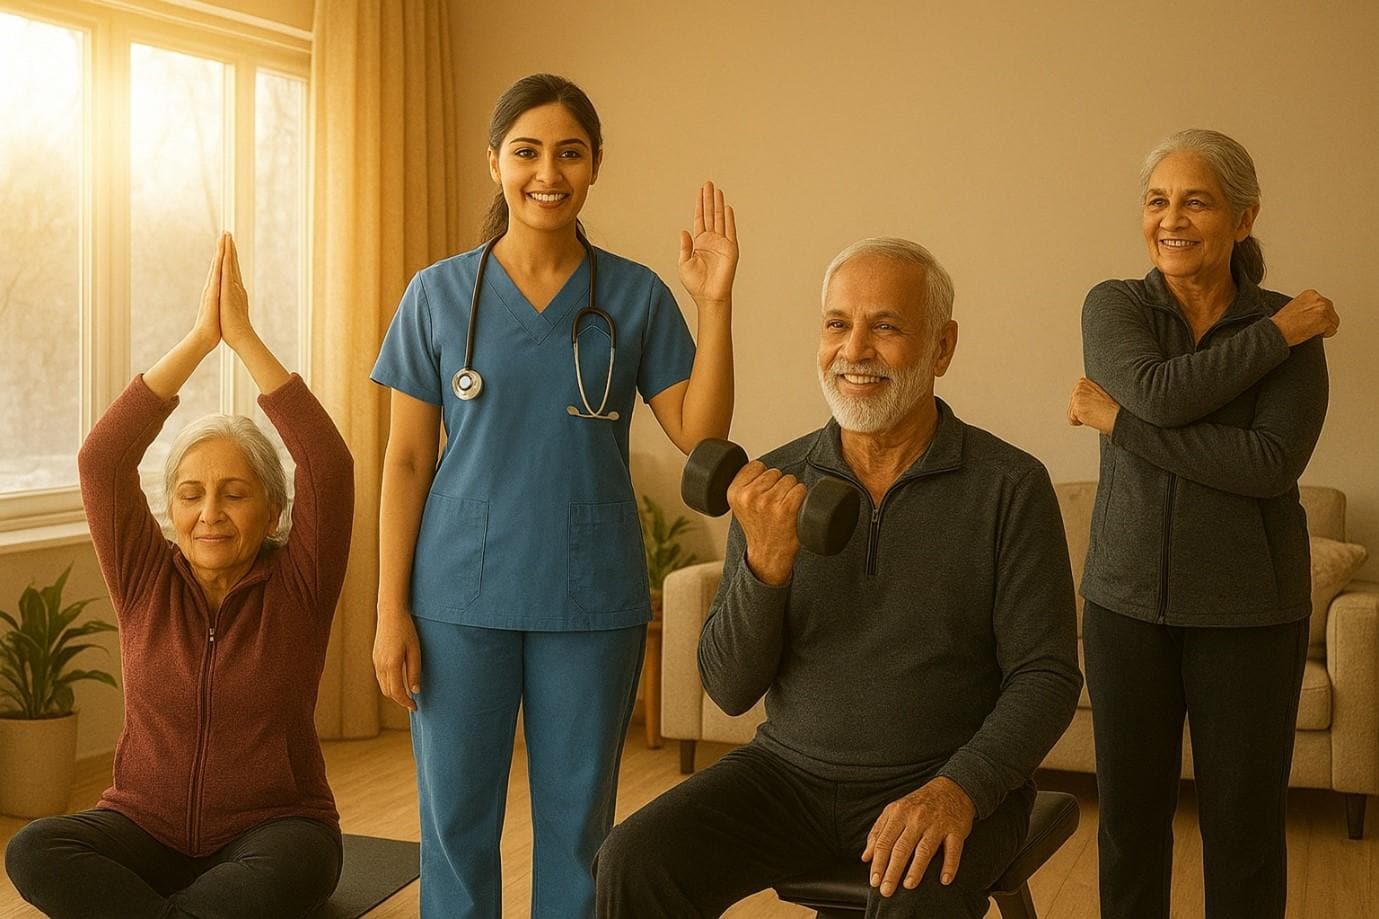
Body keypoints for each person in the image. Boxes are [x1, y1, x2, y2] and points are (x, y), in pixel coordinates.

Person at [594, 237, 1081, 918]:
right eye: (836, 324)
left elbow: (1047, 675)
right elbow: (728, 689)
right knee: (634, 858)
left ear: (941, 347)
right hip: (787, 776)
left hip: (943, 777)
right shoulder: (773, 485)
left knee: (916, 896)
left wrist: (959, 789)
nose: (854, 350)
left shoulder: (1009, 485)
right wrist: (765, 566)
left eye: (885, 326)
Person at [369, 73, 737, 918]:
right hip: (458, 594)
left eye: (569, 153)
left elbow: (701, 431)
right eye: (527, 152)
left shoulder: (635, 295)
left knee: (579, 831)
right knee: (455, 826)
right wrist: (390, 610)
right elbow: (406, 461)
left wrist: (713, 304)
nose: (547, 172)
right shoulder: (435, 294)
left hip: (589, 594)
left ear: (595, 163)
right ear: (494, 161)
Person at [4, 233, 354, 918]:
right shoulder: (144, 578)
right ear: (170, 509)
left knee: (294, 865)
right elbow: (103, 460)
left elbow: (328, 464)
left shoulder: (300, 583)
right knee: (33, 848)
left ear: (273, 508)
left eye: (234, 493)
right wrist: (199, 339)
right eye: (191, 494)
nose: (209, 513)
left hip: (274, 830)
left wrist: (242, 337)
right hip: (144, 827)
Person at [1068, 128, 1339, 919]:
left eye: (1196, 201)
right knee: (1128, 827)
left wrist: (1118, 423)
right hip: (1124, 607)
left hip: (1251, 614)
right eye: (1156, 201)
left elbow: (1266, 465)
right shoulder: (1115, 305)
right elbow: (1157, 393)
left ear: (1242, 217)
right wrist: (1270, 340)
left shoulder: (1293, 326)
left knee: (1243, 832)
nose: (1170, 219)